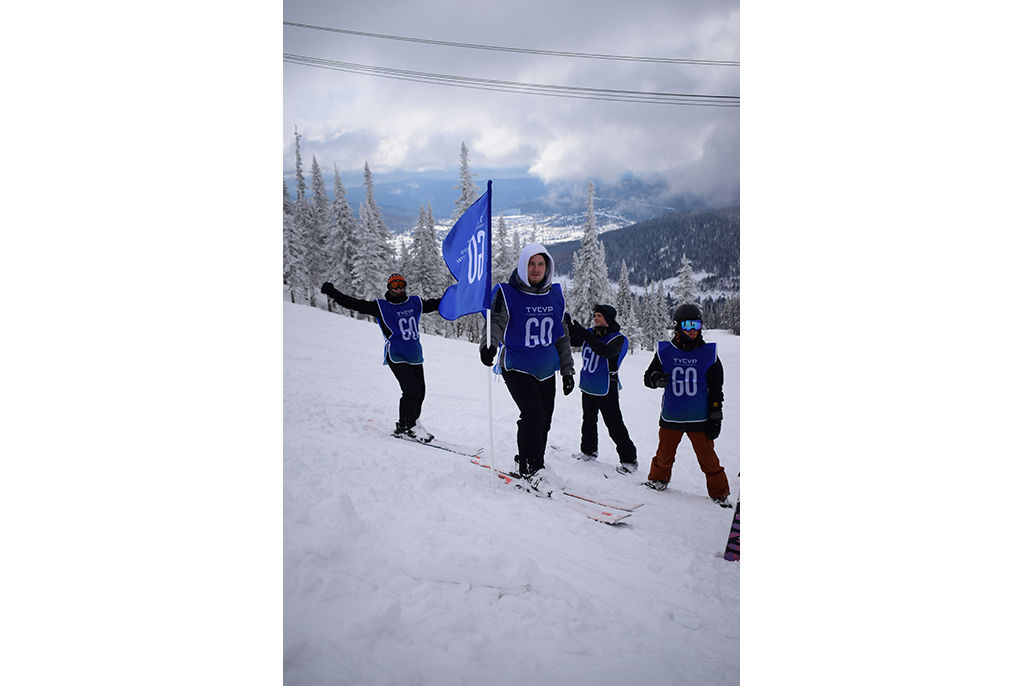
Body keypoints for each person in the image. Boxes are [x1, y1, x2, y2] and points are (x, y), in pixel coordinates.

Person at [479, 243, 575, 494]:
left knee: (545, 421)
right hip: (518, 366)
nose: (536, 269)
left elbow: (562, 335)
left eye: (540, 264)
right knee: (534, 416)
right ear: (523, 265)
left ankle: (533, 462)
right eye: (531, 264)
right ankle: (531, 470)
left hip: (546, 367)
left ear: (547, 267)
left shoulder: (555, 294)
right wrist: (488, 344)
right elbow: (496, 322)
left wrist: (567, 370)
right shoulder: (507, 293)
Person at [320, 274, 441, 441]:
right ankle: (405, 427)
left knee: (420, 392)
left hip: (415, 355)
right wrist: (333, 293)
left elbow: (438, 304)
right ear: (389, 287)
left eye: (401, 284)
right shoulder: (381, 306)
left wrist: (462, 293)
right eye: (394, 285)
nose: (398, 288)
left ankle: (414, 422)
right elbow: (353, 304)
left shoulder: (415, 303)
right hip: (396, 355)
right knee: (411, 390)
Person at [642, 303, 732, 508]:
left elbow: (716, 388)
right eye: (688, 324)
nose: (693, 329)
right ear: (677, 326)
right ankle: (658, 480)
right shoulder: (665, 351)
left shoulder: (709, 353)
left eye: (697, 324)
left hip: (699, 418)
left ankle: (720, 493)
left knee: (708, 459)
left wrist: (716, 415)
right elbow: (648, 377)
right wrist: (656, 379)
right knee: (664, 455)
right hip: (671, 417)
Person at [566, 305, 639, 474]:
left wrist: (585, 335)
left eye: (599, 315)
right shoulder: (592, 333)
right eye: (594, 315)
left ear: (609, 319)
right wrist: (568, 327)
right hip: (588, 385)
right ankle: (588, 451)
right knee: (588, 421)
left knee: (614, 424)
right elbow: (572, 341)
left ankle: (629, 459)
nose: (595, 318)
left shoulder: (617, 338)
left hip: (606, 387)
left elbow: (607, 352)